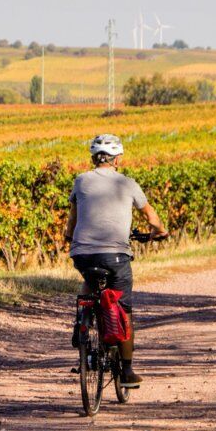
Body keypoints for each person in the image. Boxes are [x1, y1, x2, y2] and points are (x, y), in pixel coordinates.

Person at [65, 134, 167, 388]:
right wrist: (159, 232)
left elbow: (73, 218)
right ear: (118, 158)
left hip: (82, 253)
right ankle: (127, 371)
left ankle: (82, 323)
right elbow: (150, 214)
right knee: (124, 309)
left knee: (91, 280)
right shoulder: (127, 183)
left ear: (93, 157)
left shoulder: (81, 180)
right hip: (117, 255)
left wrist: (69, 236)